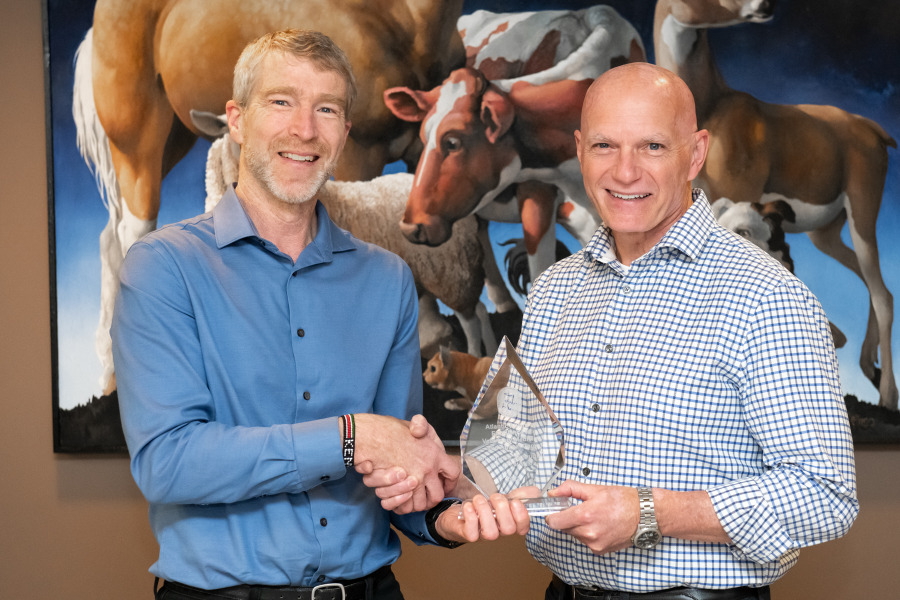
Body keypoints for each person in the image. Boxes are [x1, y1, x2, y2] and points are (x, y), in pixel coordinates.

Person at [382, 62, 859, 598]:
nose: (625, 172)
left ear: (695, 154)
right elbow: (519, 442)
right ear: (581, 151)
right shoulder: (555, 289)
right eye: (606, 146)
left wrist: (650, 514)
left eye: (652, 147)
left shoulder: (767, 297)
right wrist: (458, 479)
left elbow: (825, 495)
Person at [111, 29, 461, 600]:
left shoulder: (388, 279)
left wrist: (442, 517)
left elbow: (394, 468)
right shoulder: (163, 267)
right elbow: (169, 463)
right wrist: (349, 438)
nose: (304, 130)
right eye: (281, 102)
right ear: (238, 119)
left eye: (326, 109)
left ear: (344, 133)